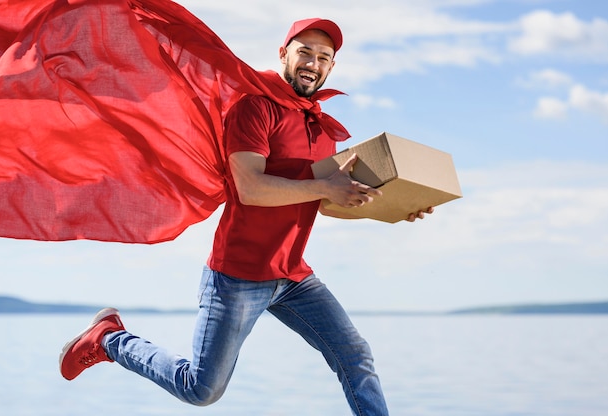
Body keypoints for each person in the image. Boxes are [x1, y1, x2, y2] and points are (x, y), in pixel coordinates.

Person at [59, 17, 432, 415]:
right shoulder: (254, 107)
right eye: (304, 51)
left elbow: (323, 201)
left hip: (293, 276)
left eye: (324, 57)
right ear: (284, 53)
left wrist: (392, 211)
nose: (313, 62)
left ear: (332, 67)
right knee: (200, 390)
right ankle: (111, 339)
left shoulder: (322, 128)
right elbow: (251, 188)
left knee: (355, 355)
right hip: (237, 276)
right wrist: (326, 186)